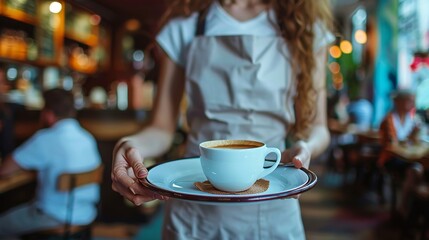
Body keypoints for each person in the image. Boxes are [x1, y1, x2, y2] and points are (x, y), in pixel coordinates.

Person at [111, 0, 333, 239]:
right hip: (193, 204)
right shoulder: (186, 26)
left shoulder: (305, 28)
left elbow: (319, 128)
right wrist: (131, 144)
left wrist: (306, 147)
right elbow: (161, 128)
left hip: (273, 200)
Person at [0, 88, 102, 237]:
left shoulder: (45, 138)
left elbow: (5, 170)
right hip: (86, 212)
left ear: (47, 113)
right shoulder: (88, 137)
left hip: (54, 216)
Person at [378, 89, 424, 217]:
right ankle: (404, 209)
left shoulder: (410, 119)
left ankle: (413, 210)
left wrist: (413, 135)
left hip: (405, 157)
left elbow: (408, 142)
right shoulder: (389, 120)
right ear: (398, 102)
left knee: (419, 170)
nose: (413, 103)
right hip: (390, 158)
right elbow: (392, 145)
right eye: (409, 100)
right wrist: (410, 137)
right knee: (414, 170)